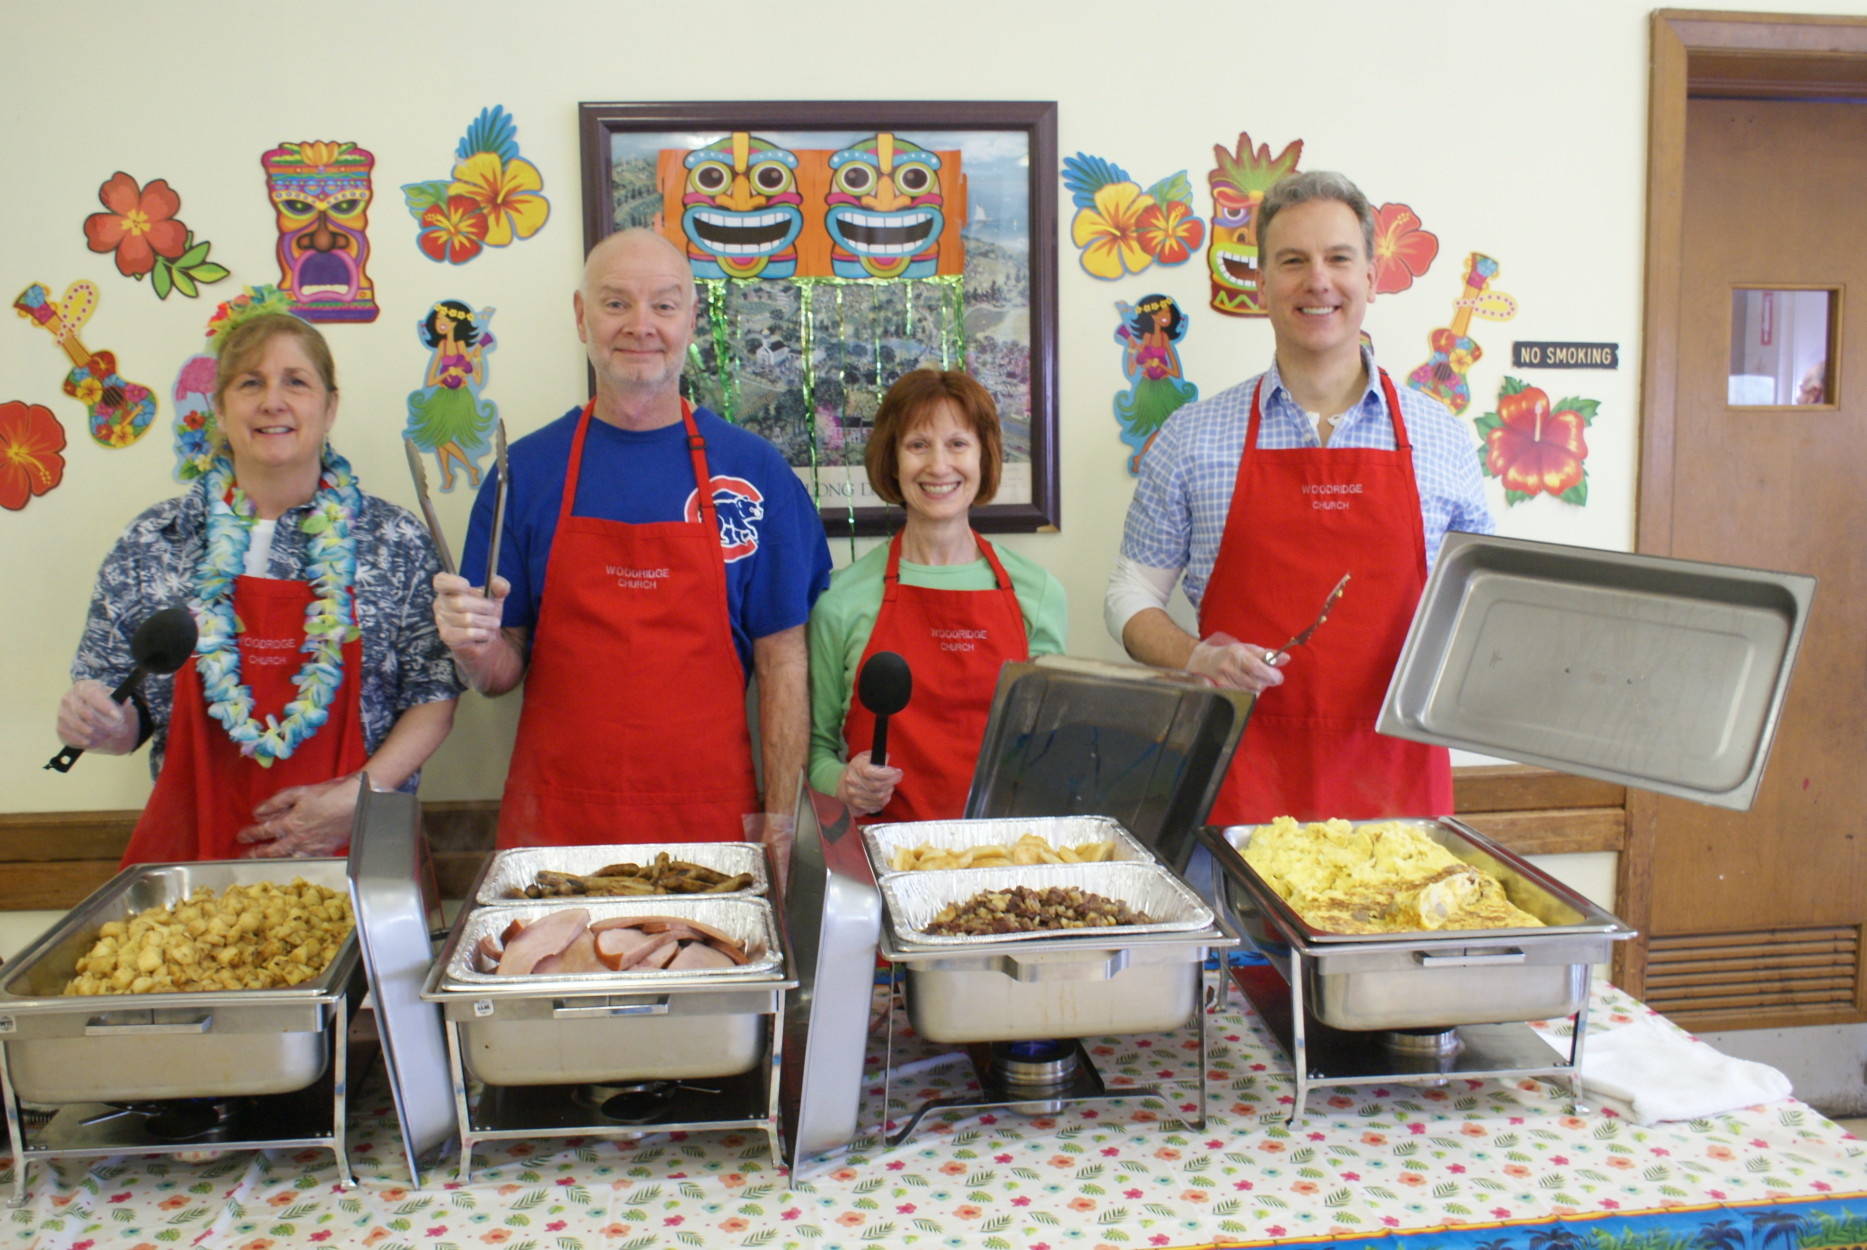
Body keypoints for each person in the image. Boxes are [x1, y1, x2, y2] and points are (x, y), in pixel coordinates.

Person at [1105, 170, 1494, 826]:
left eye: (1338, 258)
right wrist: (1198, 657)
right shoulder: (1193, 436)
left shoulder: (1442, 439)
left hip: (1396, 792)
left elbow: (1483, 610)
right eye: (1292, 261)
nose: (1318, 280)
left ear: (1371, 277)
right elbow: (1128, 595)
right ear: (1259, 284)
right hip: (1238, 781)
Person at [437, 228, 831, 855]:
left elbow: (783, 662)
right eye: (616, 303)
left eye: (664, 305)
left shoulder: (754, 471)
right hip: (557, 826)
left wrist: (782, 826)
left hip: (710, 824)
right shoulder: (525, 472)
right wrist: (472, 648)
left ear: (691, 319)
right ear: (581, 316)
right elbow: (499, 673)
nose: (640, 325)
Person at [57, 312, 460, 863]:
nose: (273, 402)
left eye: (296, 382)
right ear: (220, 409)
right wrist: (97, 722)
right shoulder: (153, 543)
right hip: (196, 864)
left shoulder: (394, 539)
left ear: (329, 407)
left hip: (360, 848)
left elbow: (433, 695)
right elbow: (127, 718)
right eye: (250, 383)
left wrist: (358, 795)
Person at [807, 370, 1066, 822]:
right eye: (918, 445)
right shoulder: (840, 600)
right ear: (893, 460)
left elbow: (1047, 751)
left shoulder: (1038, 593)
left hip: (1002, 857)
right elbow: (815, 752)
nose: (939, 466)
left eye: (958, 444)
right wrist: (843, 783)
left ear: (984, 457)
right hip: (880, 854)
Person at [407, 299, 496, 490]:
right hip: (441, 396)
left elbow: (476, 378)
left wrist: (474, 362)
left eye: (444, 319)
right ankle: (453, 473)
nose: (439, 322)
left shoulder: (462, 346)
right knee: (438, 437)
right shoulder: (441, 347)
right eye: (438, 319)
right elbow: (430, 381)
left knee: (441, 437)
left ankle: (468, 469)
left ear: (455, 323)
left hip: (460, 397)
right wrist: (447, 374)